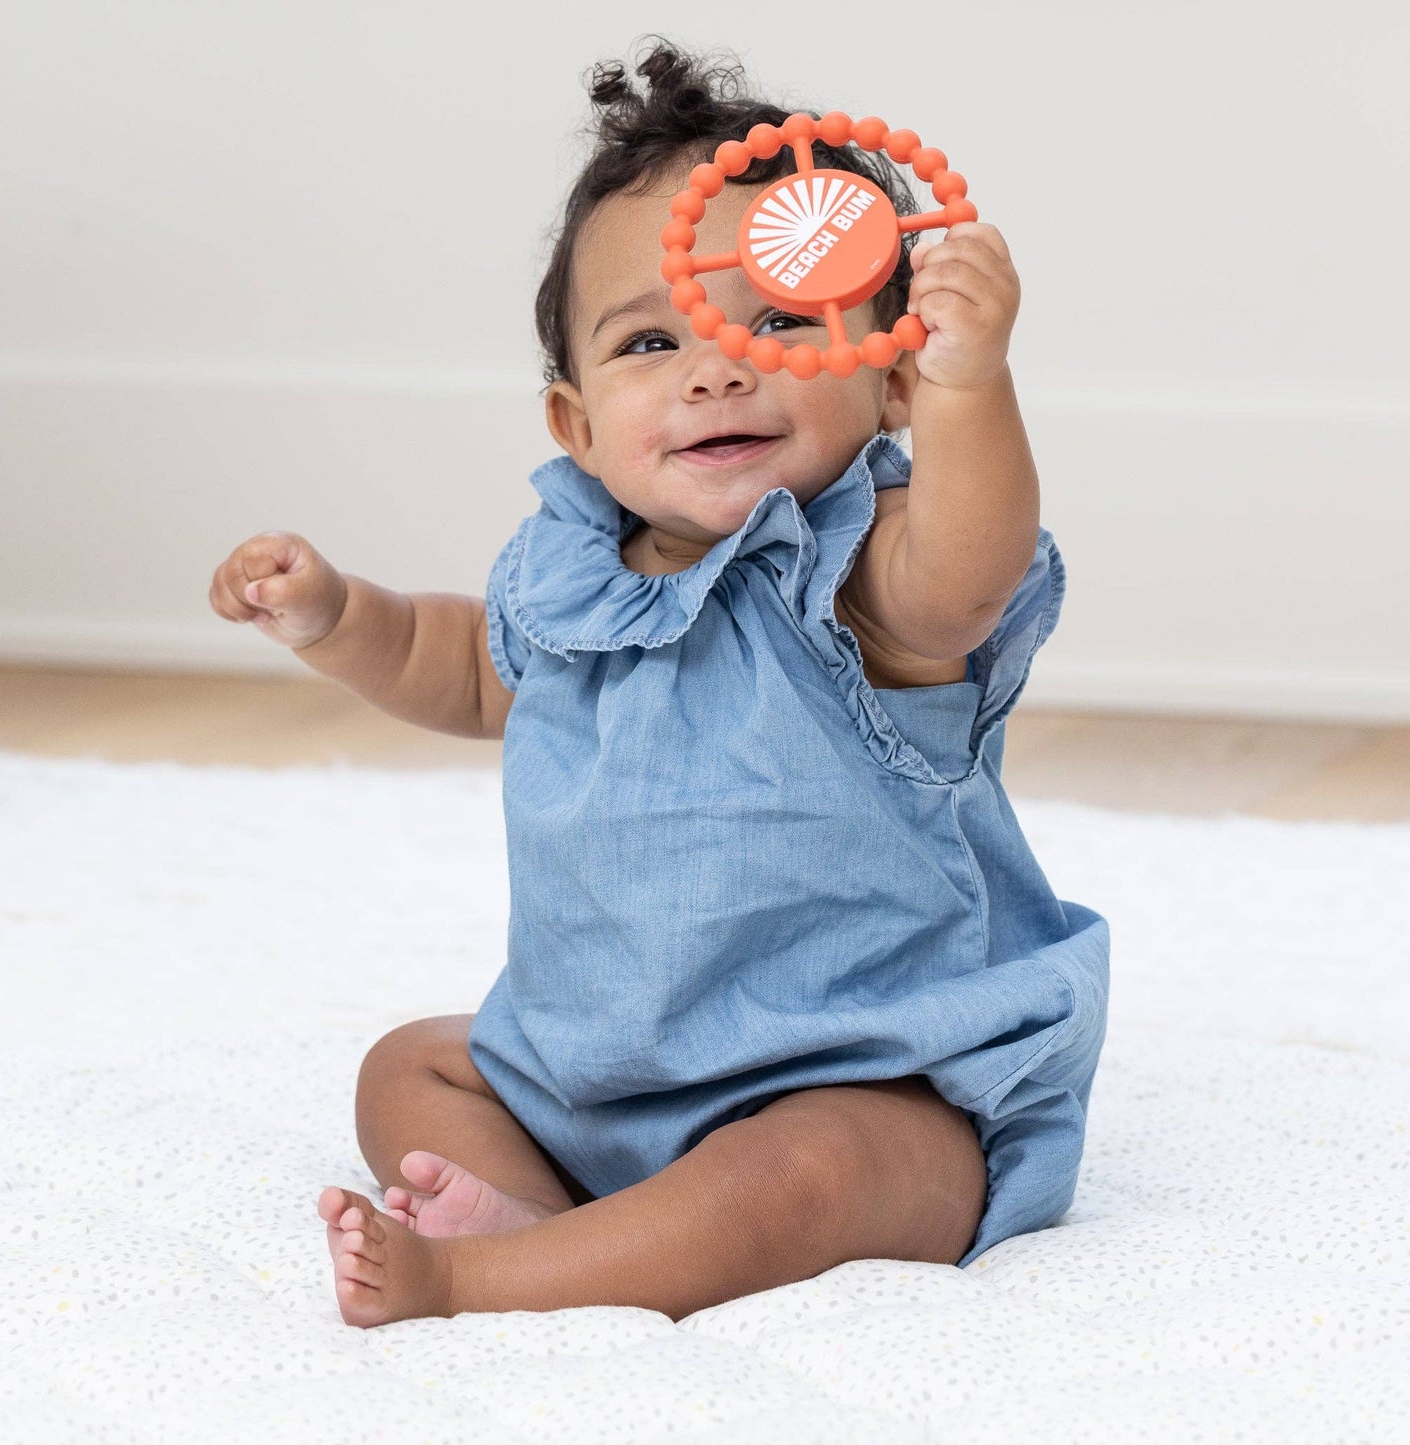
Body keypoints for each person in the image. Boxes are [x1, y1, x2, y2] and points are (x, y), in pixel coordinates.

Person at [209, 38, 1110, 1328]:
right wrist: (339, 616)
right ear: (575, 426)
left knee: (815, 1174)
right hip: (599, 1069)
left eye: (784, 321)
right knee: (408, 1069)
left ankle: (485, 1276)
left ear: (891, 374)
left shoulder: (862, 576)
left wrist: (976, 388)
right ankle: (580, 1227)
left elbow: (967, 579)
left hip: (855, 1076)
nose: (714, 367)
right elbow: (463, 667)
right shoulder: (569, 575)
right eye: (649, 340)